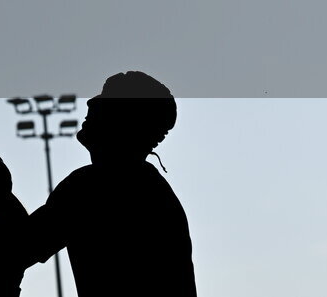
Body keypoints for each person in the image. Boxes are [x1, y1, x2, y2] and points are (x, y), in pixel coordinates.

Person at [21, 71, 197, 297]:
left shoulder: (95, 185)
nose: (90, 102)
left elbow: (16, 249)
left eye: (104, 100)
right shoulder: (148, 188)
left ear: (123, 121)